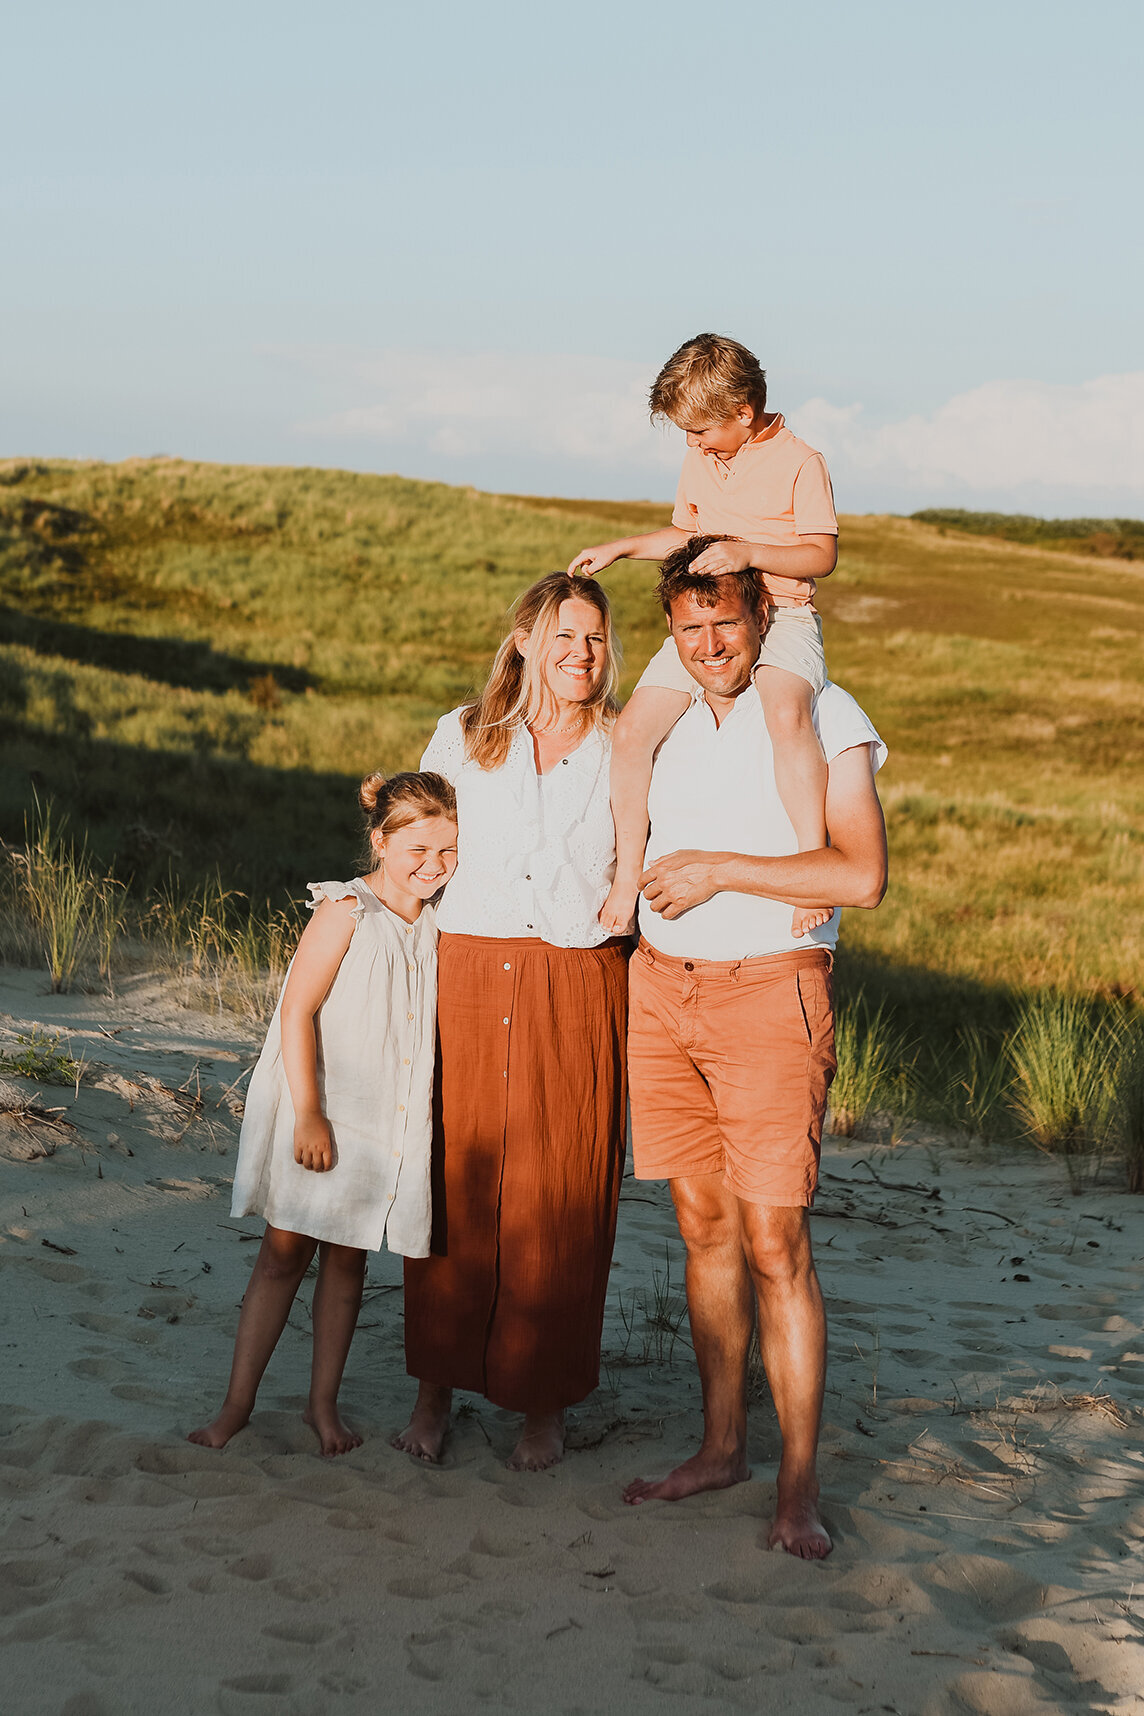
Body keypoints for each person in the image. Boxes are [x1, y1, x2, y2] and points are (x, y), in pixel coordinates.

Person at [621, 539, 888, 1558]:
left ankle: (797, 1489)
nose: (708, 645)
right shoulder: (668, 719)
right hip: (662, 993)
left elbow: (858, 876)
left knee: (776, 1243)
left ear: (762, 619)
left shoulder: (827, 714)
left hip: (771, 1000)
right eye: (688, 630)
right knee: (699, 1228)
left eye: (723, 624)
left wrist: (719, 870)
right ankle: (720, 1447)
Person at [393, 572, 629, 1473]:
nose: (582, 654)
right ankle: (435, 1389)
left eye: (597, 640)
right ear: (525, 640)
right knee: (456, 1182)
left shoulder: (622, 744)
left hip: (577, 975)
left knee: (559, 1191)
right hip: (466, 972)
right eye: (565, 636)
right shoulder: (463, 734)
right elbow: (418, 838)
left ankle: (544, 1399)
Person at [189, 771, 459, 1457]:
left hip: (380, 1122)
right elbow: (297, 1010)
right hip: (324, 1110)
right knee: (282, 1256)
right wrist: (309, 1114)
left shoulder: (437, 928)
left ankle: (321, 1406)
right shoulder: (347, 910)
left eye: (447, 853)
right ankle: (236, 1405)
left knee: (347, 1265)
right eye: (417, 850)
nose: (432, 866)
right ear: (380, 841)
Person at [568, 332, 838, 940]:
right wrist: (623, 548)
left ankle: (809, 867)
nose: (693, 445)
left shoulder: (801, 462)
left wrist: (748, 550)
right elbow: (684, 535)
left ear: (744, 414)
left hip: (781, 611)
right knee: (634, 729)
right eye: (687, 434)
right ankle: (626, 877)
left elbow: (820, 555)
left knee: (787, 714)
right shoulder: (701, 458)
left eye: (702, 432)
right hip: (713, 610)